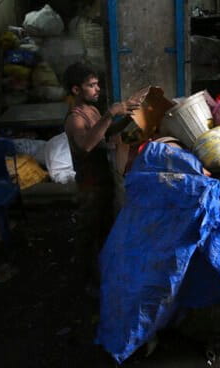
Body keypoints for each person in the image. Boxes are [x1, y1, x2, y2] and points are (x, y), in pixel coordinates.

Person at [63, 62, 140, 290]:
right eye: (91, 85)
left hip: (104, 180)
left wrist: (128, 118)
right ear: (76, 90)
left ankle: (103, 278)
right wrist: (109, 114)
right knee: (90, 234)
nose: (97, 89)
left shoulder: (93, 110)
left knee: (105, 230)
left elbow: (105, 133)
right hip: (90, 186)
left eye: (97, 84)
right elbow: (87, 145)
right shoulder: (75, 118)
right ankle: (85, 283)